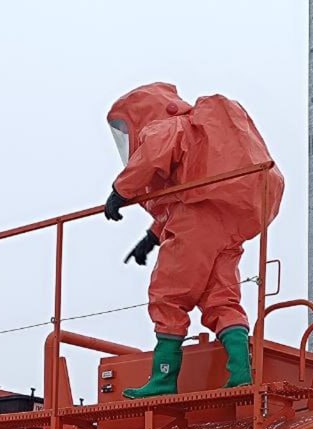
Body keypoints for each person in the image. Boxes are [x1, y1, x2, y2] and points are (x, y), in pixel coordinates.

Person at [103, 82, 284, 398]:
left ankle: (163, 379)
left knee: (169, 293)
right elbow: (183, 204)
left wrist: (120, 190)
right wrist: (152, 238)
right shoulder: (199, 132)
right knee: (221, 296)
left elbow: (153, 160)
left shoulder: (167, 126)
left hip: (201, 213)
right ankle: (241, 372)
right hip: (233, 220)